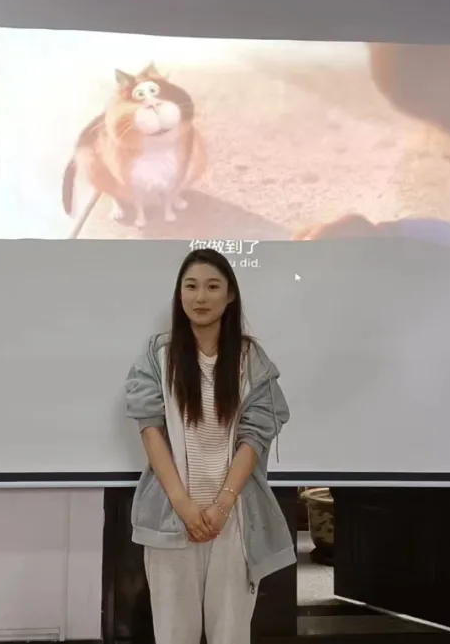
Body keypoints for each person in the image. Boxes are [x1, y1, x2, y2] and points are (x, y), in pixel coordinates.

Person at [125, 247, 294, 644]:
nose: (200, 297)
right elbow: (150, 430)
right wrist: (184, 505)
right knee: (173, 634)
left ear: (230, 295)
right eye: (191, 287)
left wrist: (222, 505)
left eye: (212, 287)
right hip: (172, 515)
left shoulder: (251, 359)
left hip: (234, 520)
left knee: (231, 634)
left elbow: (256, 435)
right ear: (179, 294)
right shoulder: (157, 355)